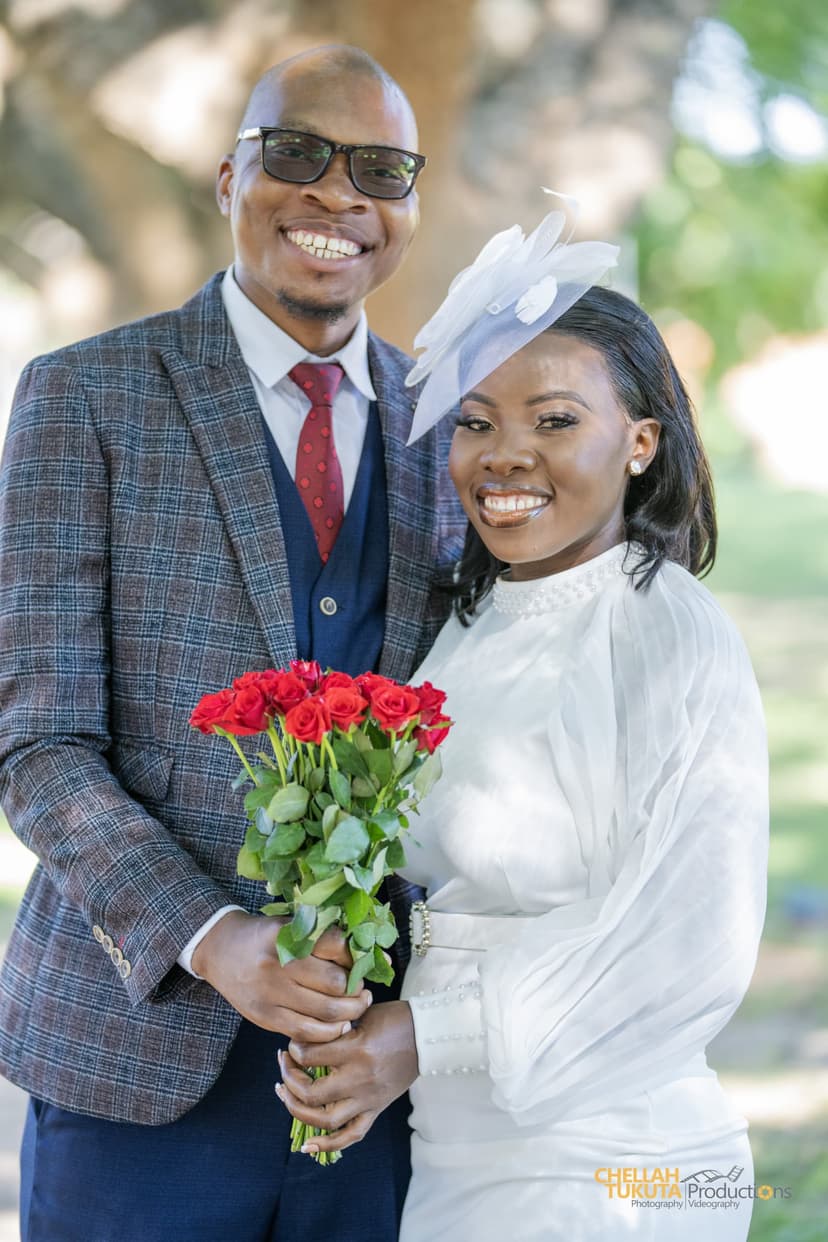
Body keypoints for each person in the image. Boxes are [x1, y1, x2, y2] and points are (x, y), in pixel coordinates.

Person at [0, 44, 465, 1242]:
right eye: (298, 153)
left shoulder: (454, 431)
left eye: (381, 169)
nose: (337, 196)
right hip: (137, 1068)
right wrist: (215, 940)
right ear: (227, 177)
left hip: (375, 1084)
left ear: (408, 207)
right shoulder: (86, 397)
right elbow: (35, 741)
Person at [275, 210, 769, 1240]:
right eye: (476, 419)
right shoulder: (472, 618)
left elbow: (686, 946)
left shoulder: (662, 630)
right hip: (465, 1149)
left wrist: (424, 1035)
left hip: (613, 1164)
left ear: (640, 443)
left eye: (553, 421)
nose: (504, 457)